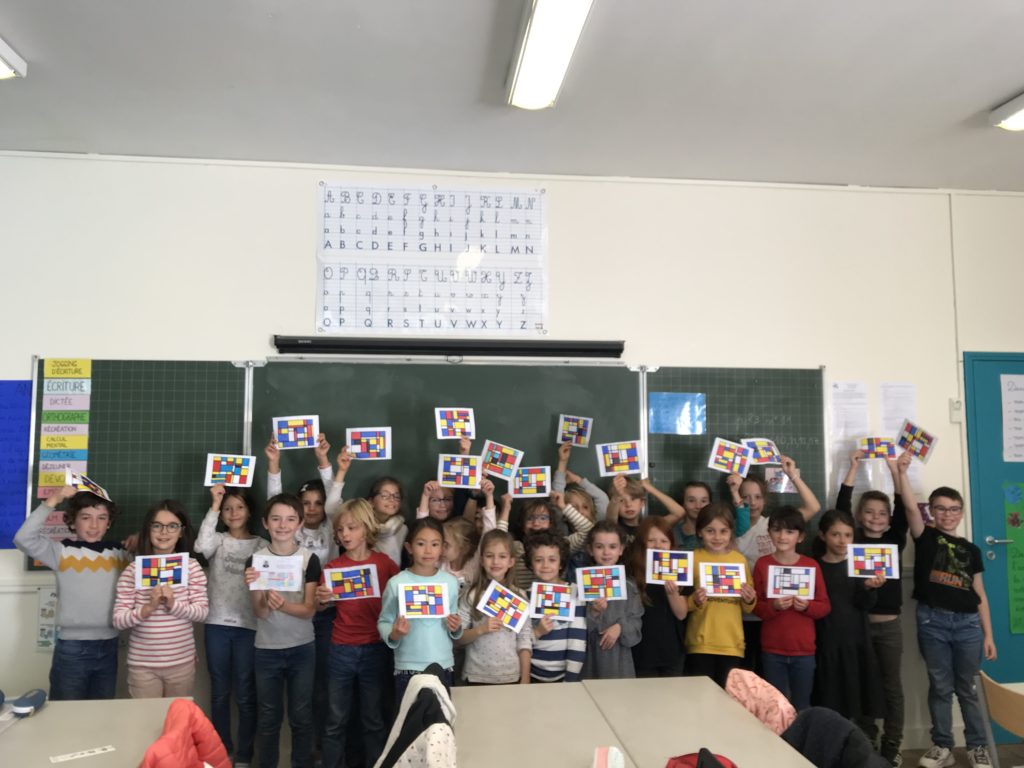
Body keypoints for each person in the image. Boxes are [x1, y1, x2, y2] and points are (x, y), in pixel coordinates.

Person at [901, 482, 997, 768]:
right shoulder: (925, 537)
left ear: (961, 513)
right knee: (940, 686)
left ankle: (977, 746)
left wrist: (988, 635)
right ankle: (943, 745)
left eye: (954, 509)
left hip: (968, 625)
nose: (948, 514)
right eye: (941, 509)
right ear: (931, 511)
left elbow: (980, 594)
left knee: (967, 687)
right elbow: (909, 507)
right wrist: (900, 472)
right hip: (933, 622)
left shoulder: (972, 550)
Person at [14, 485, 129, 700]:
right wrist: (53, 500)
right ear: (73, 522)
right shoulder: (60, 552)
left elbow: (153, 552)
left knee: (102, 709)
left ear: (109, 523)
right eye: (86, 517)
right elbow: (23, 538)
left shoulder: (121, 554)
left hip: (110, 644)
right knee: (66, 709)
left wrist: (140, 538)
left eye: (102, 518)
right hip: (73, 648)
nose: (94, 525)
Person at [837, 449, 912, 766]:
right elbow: (840, 509)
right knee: (862, 683)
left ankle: (892, 743)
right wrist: (853, 468)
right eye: (869, 512)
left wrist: (895, 471)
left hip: (890, 626)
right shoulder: (851, 540)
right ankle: (866, 738)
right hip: (860, 624)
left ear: (889, 519)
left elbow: (903, 509)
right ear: (859, 515)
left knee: (891, 686)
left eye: (882, 513)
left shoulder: (895, 539)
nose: (875, 518)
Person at [265, 433, 337, 754]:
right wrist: (274, 464)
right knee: (296, 691)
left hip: (327, 614)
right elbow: (275, 503)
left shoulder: (333, 531)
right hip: (291, 612)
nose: (312, 509)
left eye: (318, 503)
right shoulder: (289, 529)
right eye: (305, 503)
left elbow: (335, 498)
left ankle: (318, 748)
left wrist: (324, 461)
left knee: (321, 684)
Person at [316, 499, 399, 768]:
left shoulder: (384, 564)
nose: (345, 534)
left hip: (375, 647)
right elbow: (322, 606)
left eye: (351, 528)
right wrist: (322, 599)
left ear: (366, 528)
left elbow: (399, 599)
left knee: (373, 719)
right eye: (340, 530)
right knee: (335, 720)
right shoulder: (333, 568)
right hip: (341, 648)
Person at [245, 493, 321, 768]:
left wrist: (284, 605)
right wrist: (257, 590)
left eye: (290, 519)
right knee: (268, 718)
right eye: (276, 519)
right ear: (265, 523)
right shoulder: (255, 560)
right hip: (267, 649)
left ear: (299, 523)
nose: (282, 525)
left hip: (302, 648)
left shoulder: (309, 559)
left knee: (301, 717)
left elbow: (309, 609)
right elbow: (260, 613)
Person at [728, 455, 821, 674]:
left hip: (772, 613)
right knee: (742, 673)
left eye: (757, 497)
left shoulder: (776, 526)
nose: (752, 502)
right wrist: (733, 490)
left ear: (765, 500)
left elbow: (813, 506)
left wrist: (792, 475)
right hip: (738, 612)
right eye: (745, 496)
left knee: (765, 674)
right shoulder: (729, 529)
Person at [195, 484, 266, 767]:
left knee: (246, 693)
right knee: (220, 692)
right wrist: (214, 505)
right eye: (227, 508)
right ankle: (222, 751)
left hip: (249, 626)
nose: (233, 513)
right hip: (216, 624)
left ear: (249, 512)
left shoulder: (261, 545)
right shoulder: (218, 541)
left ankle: (245, 755)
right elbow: (201, 545)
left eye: (239, 507)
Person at [113, 500, 208, 698]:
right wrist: (148, 608)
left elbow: (202, 613)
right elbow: (119, 620)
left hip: (181, 662)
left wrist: (173, 604)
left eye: (172, 526)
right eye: (157, 525)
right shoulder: (133, 570)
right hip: (142, 665)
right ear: (148, 529)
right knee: (146, 717)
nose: (164, 532)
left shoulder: (191, 567)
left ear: (181, 532)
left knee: (177, 716)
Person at [753, 506, 830, 711]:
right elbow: (755, 606)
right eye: (777, 530)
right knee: (775, 708)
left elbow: (824, 606)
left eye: (789, 531)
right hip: (772, 649)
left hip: (803, 650)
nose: (782, 536)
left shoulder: (811, 566)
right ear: (769, 533)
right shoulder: (762, 564)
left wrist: (807, 606)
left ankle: (799, 734)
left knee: (801, 706)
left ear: (801, 537)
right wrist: (774, 606)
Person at [377, 517, 463, 702]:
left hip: (442, 663)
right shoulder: (397, 583)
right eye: (421, 544)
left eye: (434, 544)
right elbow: (384, 621)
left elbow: (453, 618)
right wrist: (394, 633)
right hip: (408, 666)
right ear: (409, 547)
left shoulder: (450, 582)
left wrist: (456, 627)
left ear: (442, 548)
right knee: (410, 717)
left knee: (441, 718)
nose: (428, 550)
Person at [812, 509, 885, 726]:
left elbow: (866, 604)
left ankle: (861, 738)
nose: (842, 540)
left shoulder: (859, 565)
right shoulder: (815, 567)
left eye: (848, 535)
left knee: (857, 695)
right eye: (835, 534)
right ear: (822, 535)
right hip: (826, 641)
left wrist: (869, 588)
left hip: (856, 640)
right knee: (830, 696)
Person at [684, 503, 757, 687]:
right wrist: (694, 600)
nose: (717, 537)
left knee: (727, 697)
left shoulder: (739, 560)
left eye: (723, 531)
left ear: (731, 532)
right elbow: (682, 604)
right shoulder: (692, 559)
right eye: (710, 531)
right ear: (699, 532)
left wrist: (749, 599)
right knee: (699, 696)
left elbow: (748, 606)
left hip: (732, 643)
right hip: (700, 641)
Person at [456, 528, 533, 685]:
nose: (496, 562)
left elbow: (524, 639)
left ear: (511, 561)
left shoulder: (519, 596)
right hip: (476, 675)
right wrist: (480, 629)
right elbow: (458, 638)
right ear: (481, 560)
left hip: (511, 675)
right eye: (489, 556)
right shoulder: (471, 595)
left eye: (502, 556)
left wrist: (525, 678)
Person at [625, 516, 688, 677]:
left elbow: (681, 614)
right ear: (642, 544)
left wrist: (672, 593)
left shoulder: (679, 569)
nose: (658, 545)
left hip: (671, 652)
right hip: (641, 651)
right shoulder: (631, 570)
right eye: (651, 540)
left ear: (671, 545)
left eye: (664, 541)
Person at [580, 520, 643, 679]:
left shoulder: (629, 586)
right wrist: (594, 613)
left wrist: (620, 627)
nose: (606, 552)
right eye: (599, 547)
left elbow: (636, 624)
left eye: (612, 547)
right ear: (590, 549)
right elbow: (576, 629)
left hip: (619, 660)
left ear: (621, 549)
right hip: (589, 660)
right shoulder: (581, 584)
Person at [526, 531, 587, 682]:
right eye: (539, 560)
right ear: (531, 564)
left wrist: (570, 680)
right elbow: (519, 641)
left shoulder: (574, 593)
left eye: (552, 560)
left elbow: (577, 641)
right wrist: (537, 632)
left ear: (561, 563)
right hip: (530, 673)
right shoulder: (526, 595)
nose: (545, 565)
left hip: (564, 676)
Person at [553, 443, 610, 521]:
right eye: (573, 508)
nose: (581, 512)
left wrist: (578, 480)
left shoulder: (598, 523)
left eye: (585, 507)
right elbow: (558, 498)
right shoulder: (563, 526)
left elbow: (602, 498)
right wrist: (562, 462)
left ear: (592, 511)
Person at [606, 474, 645, 546]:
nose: (628, 504)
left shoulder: (647, 526)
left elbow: (670, 516)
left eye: (633, 499)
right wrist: (617, 496)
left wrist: (651, 489)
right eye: (621, 500)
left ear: (642, 503)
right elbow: (610, 520)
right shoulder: (615, 526)